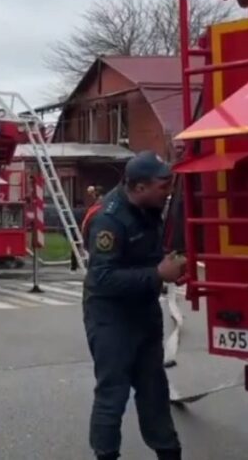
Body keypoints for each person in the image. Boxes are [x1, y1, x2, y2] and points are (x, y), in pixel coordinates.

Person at [82, 151, 185, 460]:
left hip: (144, 311)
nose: (168, 192)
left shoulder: (149, 209)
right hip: (111, 317)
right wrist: (157, 273)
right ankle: (106, 454)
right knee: (112, 394)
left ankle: (169, 451)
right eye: (162, 186)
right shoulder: (109, 220)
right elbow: (102, 278)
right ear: (140, 187)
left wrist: (171, 265)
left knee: (154, 389)